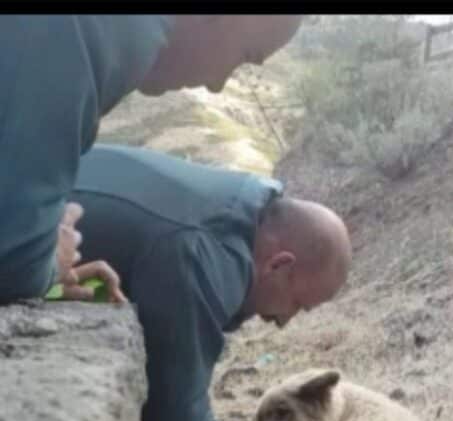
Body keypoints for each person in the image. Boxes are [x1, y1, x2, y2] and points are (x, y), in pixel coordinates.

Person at [71, 143, 351, 421]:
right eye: (297, 304)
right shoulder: (199, 255)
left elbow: (182, 389)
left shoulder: (234, 213)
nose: (284, 321)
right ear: (279, 265)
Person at [0, 15, 302, 306]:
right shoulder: (89, 39)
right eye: (243, 55)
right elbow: (14, 263)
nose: (218, 83)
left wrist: (46, 274)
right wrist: (51, 262)